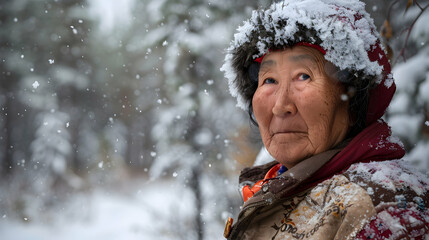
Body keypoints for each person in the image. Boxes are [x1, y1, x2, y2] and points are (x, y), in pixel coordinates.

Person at [220, 0, 429, 239]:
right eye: (269, 80)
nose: (280, 106)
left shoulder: (382, 209)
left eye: (303, 76)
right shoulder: (278, 188)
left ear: (352, 98)